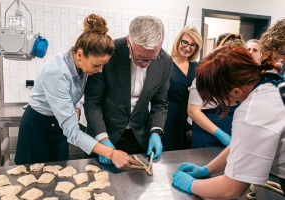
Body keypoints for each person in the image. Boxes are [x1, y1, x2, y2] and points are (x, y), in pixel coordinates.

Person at [172, 18, 285, 199]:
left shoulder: (252, 112)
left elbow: (231, 189)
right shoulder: (267, 76)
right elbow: (242, 145)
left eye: (218, 97)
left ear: (235, 91)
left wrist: (192, 185)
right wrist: (206, 170)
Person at [15, 14, 139, 168]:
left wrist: (76, 107)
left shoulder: (83, 68)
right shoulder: (56, 73)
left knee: (59, 174)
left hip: (59, 127)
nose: (100, 71)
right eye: (96, 65)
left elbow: (74, 96)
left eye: (103, 65)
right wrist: (110, 152)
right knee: (31, 178)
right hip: (38, 128)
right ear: (80, 55)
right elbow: (72, 131)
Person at [85, 15, 173, 164]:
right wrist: (102, 140)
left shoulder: (165, 61)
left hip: (139, 138)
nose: (145, 63)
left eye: (151, 58)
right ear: (128, 42)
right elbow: (92, 101)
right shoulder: (109, 53)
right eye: (139, 57)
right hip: (105, 134)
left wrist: (156, 131)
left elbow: (160, 103)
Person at [188, 33, 245, 148]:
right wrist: (219, 133)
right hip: (206, 133)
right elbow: (193, 111)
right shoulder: (204, 77)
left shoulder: (243, 78)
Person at [163, 26, 202, 151]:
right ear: (178, 41)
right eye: (185, 42)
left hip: (191, 118)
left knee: (188, 155)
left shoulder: (198, 67)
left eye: (193, 45)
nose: (188, 47)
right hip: (169, 118)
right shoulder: (165, 64)